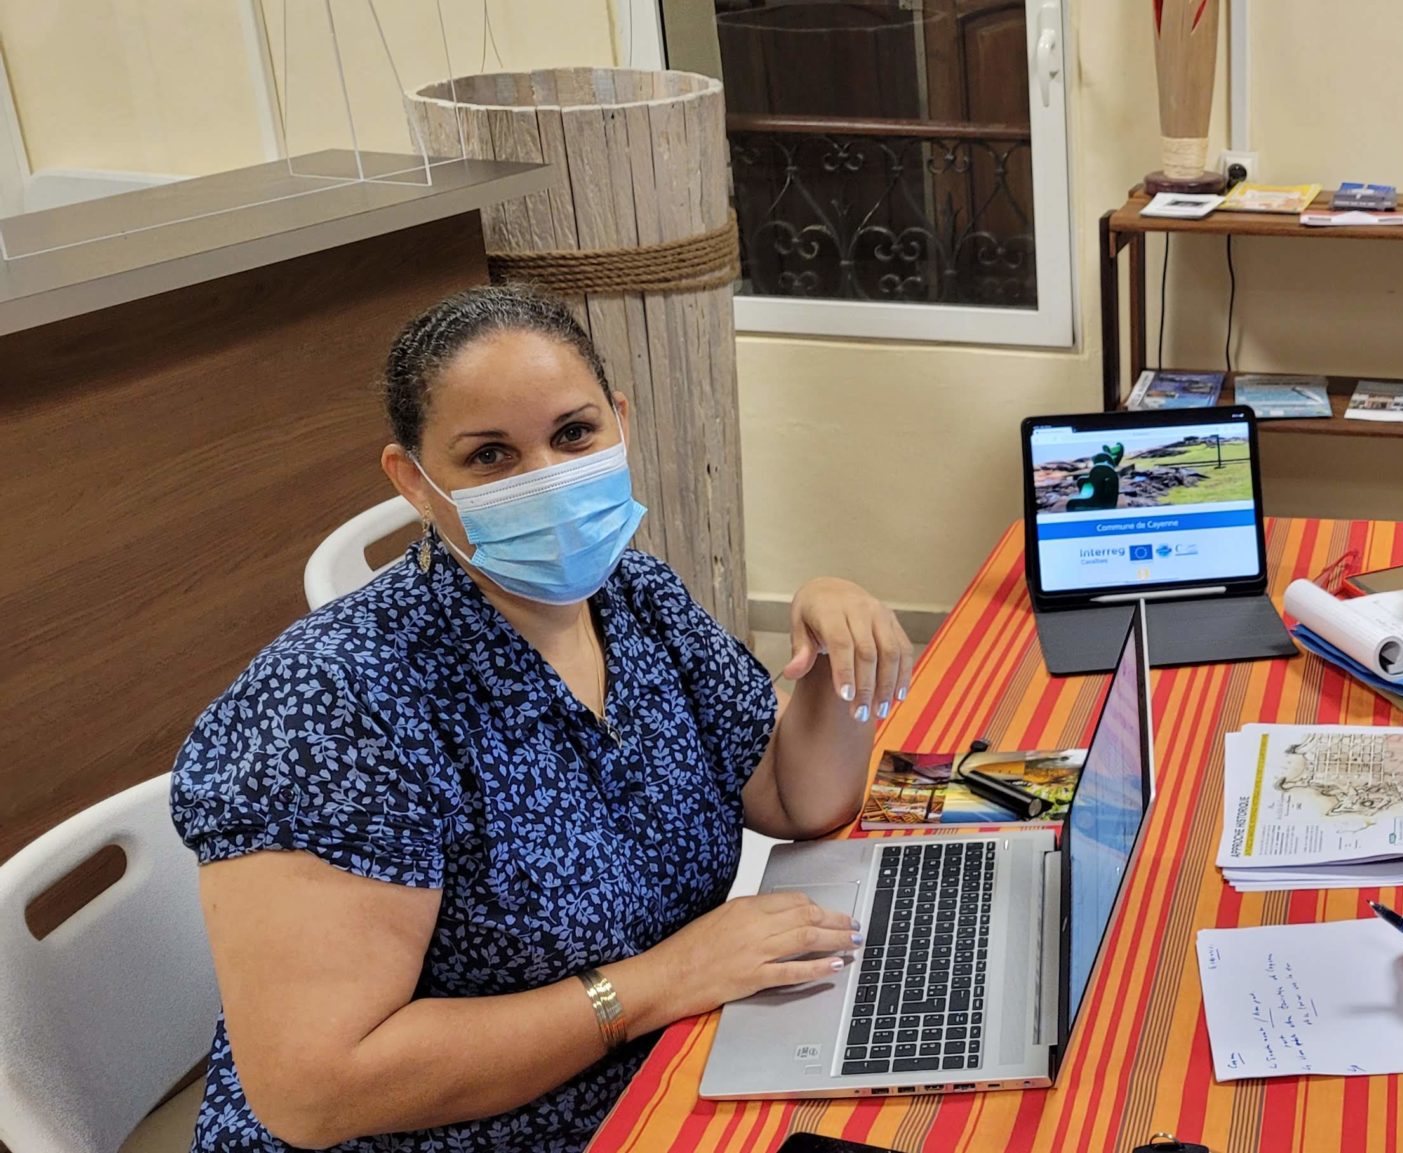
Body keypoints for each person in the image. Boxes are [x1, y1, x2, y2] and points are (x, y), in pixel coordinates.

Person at [170, 284, 915, 1151]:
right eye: (490, 456)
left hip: (659, 1068)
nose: (548, 478)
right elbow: (317, 1093)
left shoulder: (636, 600)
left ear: (619, 421)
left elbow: (795, 799)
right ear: (413, 479)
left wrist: (831, 654)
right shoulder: (336, 705)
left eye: (573, 433)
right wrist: (656, 983)